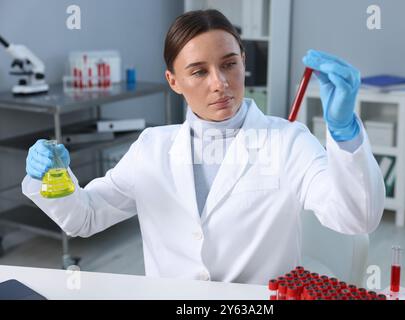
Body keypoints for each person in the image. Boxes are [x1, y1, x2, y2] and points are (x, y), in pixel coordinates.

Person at [22, 10, 385, 284]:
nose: (220, 83)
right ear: (174, 81)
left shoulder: (289, 141)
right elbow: (84, 217)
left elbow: (357, 216)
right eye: (199, 72)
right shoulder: (152, 148)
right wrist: (52, 177)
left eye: (229, 64)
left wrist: (345, 133)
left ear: (243, 62)